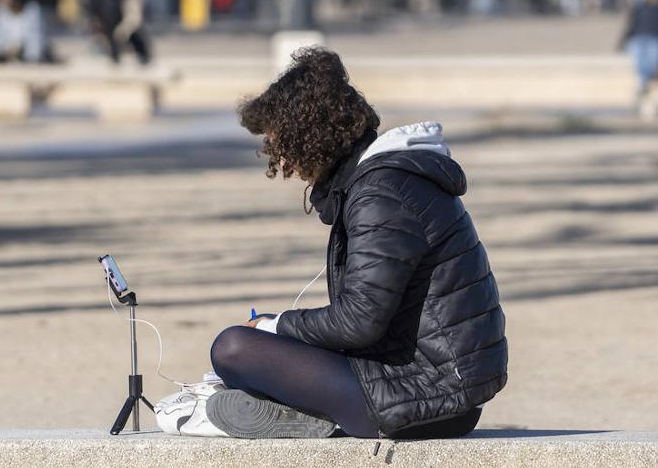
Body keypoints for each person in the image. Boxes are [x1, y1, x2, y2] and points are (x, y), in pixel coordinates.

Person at [157, 47, 508, 440]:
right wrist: (281, 331)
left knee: (233, 348)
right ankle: (296, 411)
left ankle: (302, 413)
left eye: (281, 147)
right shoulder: (383, 182)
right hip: (430, 386)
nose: (282, 163)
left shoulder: (382, 194)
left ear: (310, 138)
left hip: (426, 398)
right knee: (255, 345)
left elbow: (359, 322)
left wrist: (276, 326)